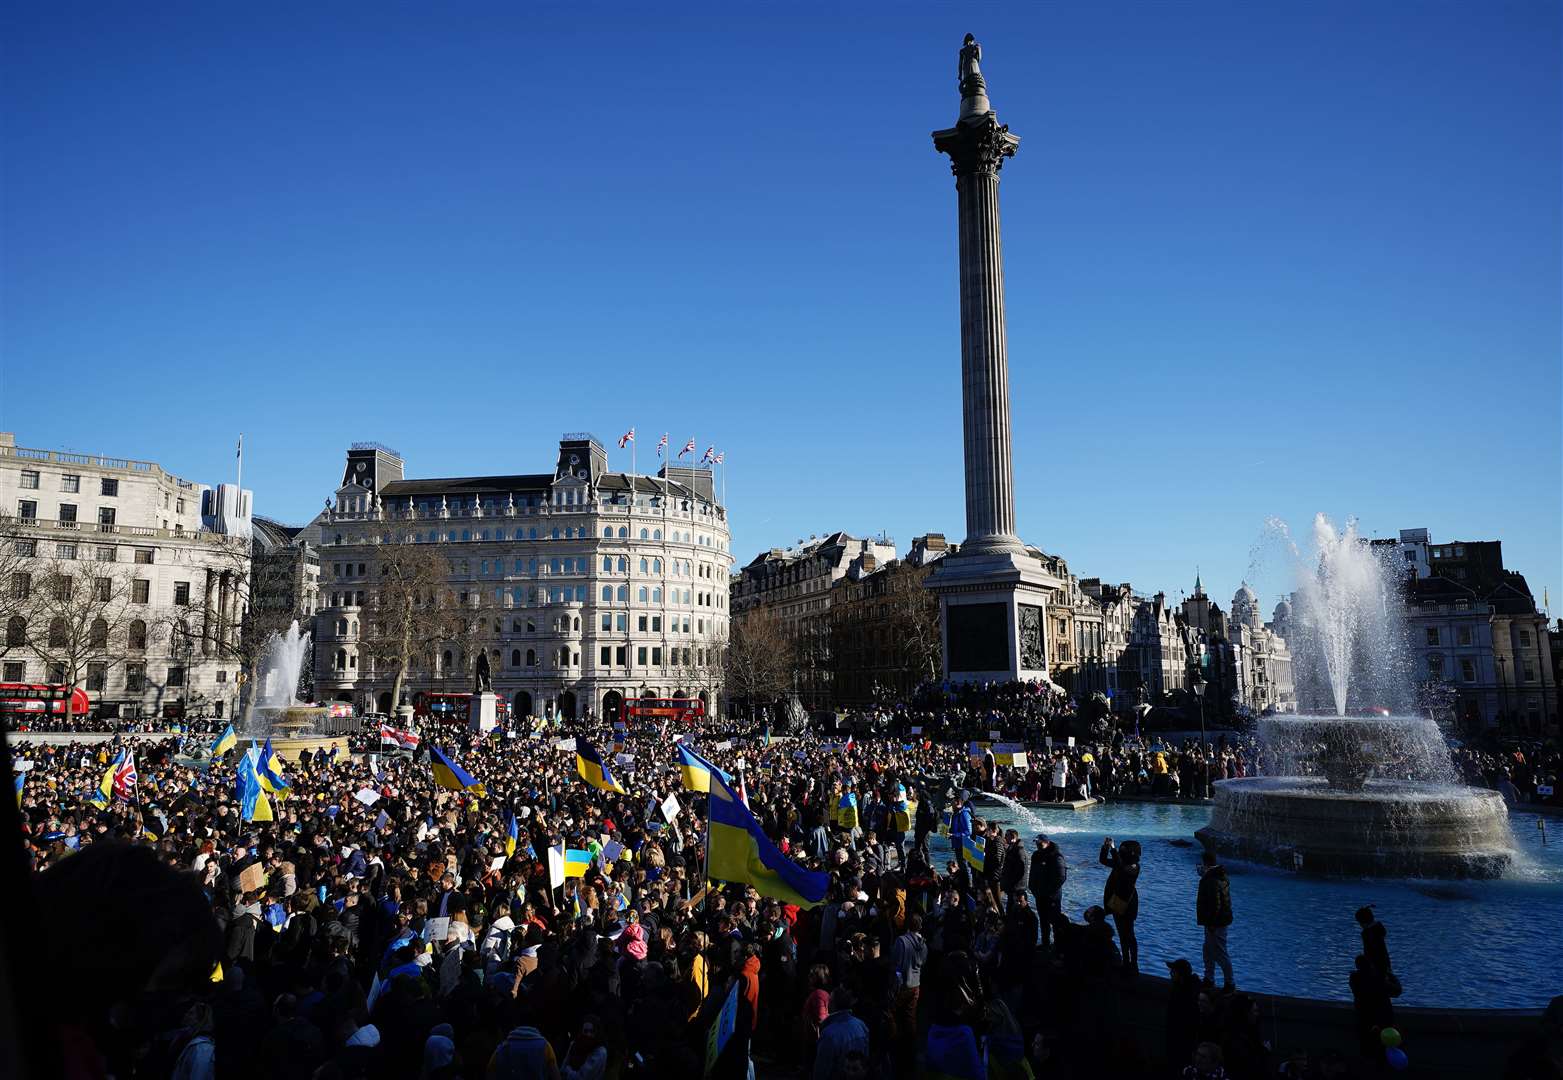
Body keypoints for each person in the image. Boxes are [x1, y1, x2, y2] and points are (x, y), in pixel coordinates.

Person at [1099, 837, 1141, 974]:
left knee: (1129, 934)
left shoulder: (1134, 867)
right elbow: (1103, 860)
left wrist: (1113, 849)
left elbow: (1121, 868)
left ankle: (1133, 964)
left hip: (1127, 902)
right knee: (1123, 934)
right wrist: (1106, 847)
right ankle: (1126, 962)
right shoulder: (1122, 863)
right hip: (1117, 900)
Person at [812, 988, 870, 1080]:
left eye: (829, 1000)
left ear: (832, 1004)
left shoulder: (829, 1034)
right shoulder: (861, 1025)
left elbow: (821, 1072)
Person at [1196, 850, 1233, 990]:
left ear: (1206, 863)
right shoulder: (1219, 876)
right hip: (1217, 921)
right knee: (1208, 950)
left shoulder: (1211, 880)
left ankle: (1229, 983)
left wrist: (1211, 923)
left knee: (1219, 952)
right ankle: (1209, 978)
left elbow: (1214, 904)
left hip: (1215, 923)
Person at [1029, 834, 1066, 952]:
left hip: (1052, 897)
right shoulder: (1036, 855)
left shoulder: (1056, 856)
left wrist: (1048, 891)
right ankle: (1045, 944)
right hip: (1039, 895)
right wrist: (1032, 888)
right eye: (1037, 843)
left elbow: (1061, 877)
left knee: (1055, 923)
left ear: (1047, 842)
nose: (1038, 845)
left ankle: (1058, 947)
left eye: (1040, 843)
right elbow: (1032, 873)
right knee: (1043, 921)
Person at [1355, 905, 1391, 976]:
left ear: (1363, 922)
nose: (1359, 925)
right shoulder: (1378, 929)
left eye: (1359, 922)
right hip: (1385, 965)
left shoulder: (1367, 934)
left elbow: (1369, 952)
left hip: (1375, 968)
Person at [999, 829, 1026, 907]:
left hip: (1016, 887)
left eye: (1007, 835)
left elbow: (1021, 871)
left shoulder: (1019, 851)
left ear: (1013, 837)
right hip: (1011, 885)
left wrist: (1011, 884)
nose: (1004, 837)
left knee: (1014, 907)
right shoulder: (1012, 848)